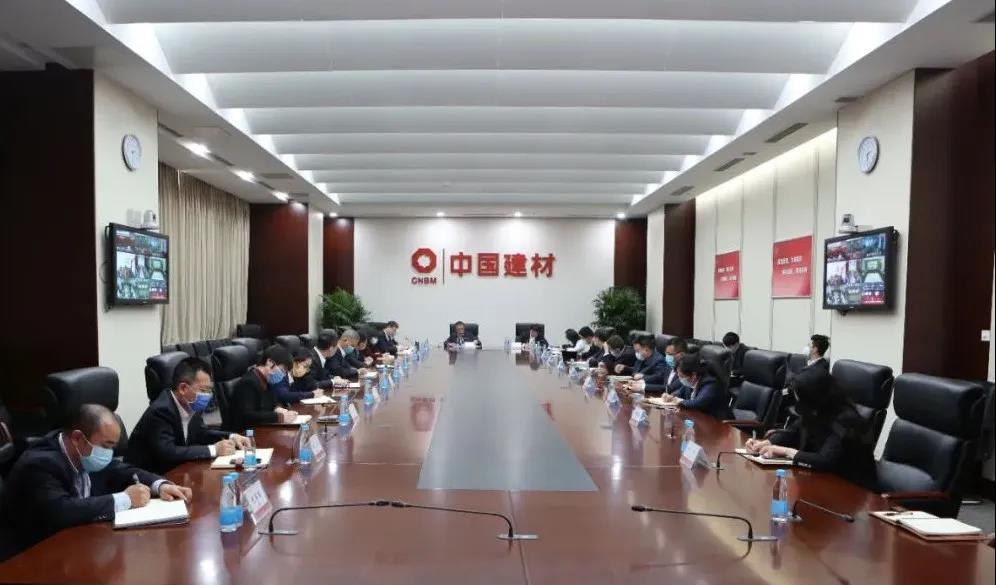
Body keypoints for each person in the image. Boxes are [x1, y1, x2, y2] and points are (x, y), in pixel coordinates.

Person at [0, 404, 192, 559]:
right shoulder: (39, 464)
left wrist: (160, 485)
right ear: (77, 438)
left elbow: (120, 469)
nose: (108, 453)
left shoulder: (82, 452)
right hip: (31, 556)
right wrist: (125, 499)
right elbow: (61, 511)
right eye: (106, 446)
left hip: (76, 546)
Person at [745, 368, 874, 488]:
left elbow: (825, 460)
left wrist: (785, 451)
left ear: (814, 397)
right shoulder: (817, 409)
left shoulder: (847, 420)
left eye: (801, 400)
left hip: (849, 488)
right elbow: (793, 431)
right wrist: (767, 443)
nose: (799, 405)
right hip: (818, 481)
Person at [126, 357, 252, 474]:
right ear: (183, 388)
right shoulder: (161, 411)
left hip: (178, 472)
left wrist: (231, 436)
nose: (208, 396)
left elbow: (202, 433)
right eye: (204, 390)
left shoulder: (191, 405)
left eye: (210, 391)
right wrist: (214, 450)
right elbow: (168, 452)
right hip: (146, 479)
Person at [227, 345, 299, 431]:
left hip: (260, 428)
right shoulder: (248, 382)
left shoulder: (267, 380)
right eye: (282, 370)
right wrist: (279, 417)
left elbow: (272, 402)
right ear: (270, 362)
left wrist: (278, 408)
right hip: (243, 433)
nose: (283, 376)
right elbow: (248, 416)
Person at [660, 354, 732, 419]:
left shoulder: (711, 383)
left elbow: (697, 403)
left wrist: (678, 401)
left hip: (716, 422)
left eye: (682, 376)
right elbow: (681, 392)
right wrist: (671, 396)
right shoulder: (691, 381)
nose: (680, 379)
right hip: (698, 418)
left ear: (693, 375)